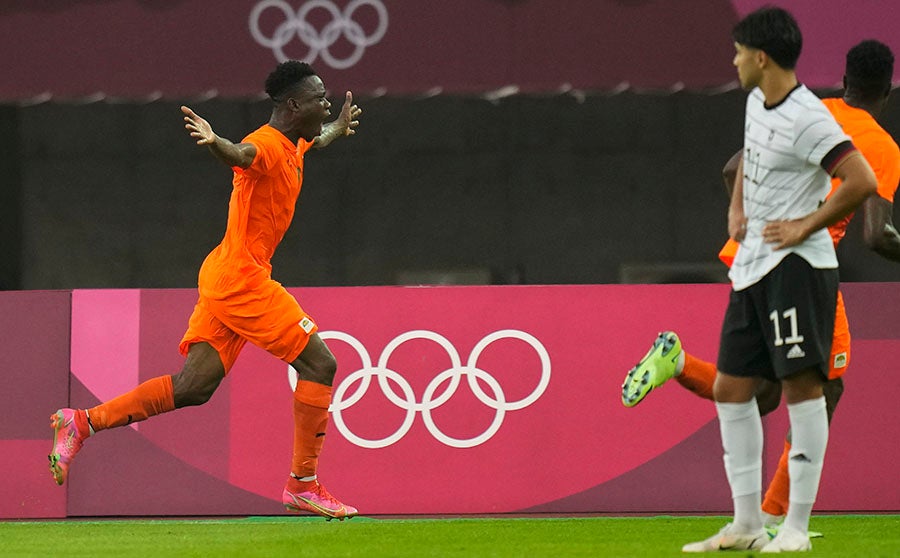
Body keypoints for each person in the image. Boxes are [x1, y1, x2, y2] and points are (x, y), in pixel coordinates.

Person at [48, 61, 363, 521]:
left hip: (223, 275)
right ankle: (303, 484)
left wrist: (334, 126)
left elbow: (317, 138)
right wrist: (218, 144)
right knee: (320, 363)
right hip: (243, 281)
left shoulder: (296, 142)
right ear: (294, 105)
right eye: (320, 97)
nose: (327, 101)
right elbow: (242, 155)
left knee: (193, 387)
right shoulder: (268, 147)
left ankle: (80, 422)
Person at [621, 37, 900, 535]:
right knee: (825, 388)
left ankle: (678, 362)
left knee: (767, 393)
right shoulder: (879, 146)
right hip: (801, 267)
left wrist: (747, 221)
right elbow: (878, 234)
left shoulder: (804, 110)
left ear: (844, 80)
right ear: (889, 89)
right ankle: (774, 520)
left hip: (752, 260)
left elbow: (733, 168)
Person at [670, 7, 876, 552]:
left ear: (762, 57)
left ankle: (796, 529)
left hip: (797, 268)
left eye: (739, 51)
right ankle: (745, 525)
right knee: (732, 390)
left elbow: (860, 179)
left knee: (801, 390)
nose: (733, 59)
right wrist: (737, 207)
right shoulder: (756, 102)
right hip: (752, 265)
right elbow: (751, 161)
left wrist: (807, 223)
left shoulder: (808, 117)